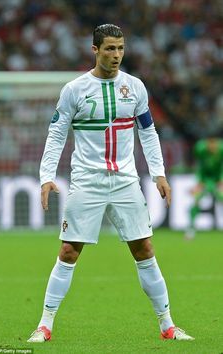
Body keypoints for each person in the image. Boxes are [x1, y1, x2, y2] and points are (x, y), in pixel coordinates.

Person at [27, 24, 194, 343]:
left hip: (126, 182)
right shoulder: (74, 89)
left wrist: (159, 172)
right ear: (95, 50)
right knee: (68, 251)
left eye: (120, 48)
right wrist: (46, 177)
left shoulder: (135, 87)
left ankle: (167, 325)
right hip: (86, 182)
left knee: (144, 249)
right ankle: (45, 325)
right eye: (110, 49)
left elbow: (148, 132)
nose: (116, 55)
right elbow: (57, 134)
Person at [185, 136, 223, 239]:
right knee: (196, 200)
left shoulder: (221, 149)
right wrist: (199, 181)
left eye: (214, 145)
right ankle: (191, 228)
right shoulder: (200, 149)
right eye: (209, 145)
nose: (212, 147)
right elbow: (199, 165)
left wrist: (221, 180)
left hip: (217, 179)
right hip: (205, 180)